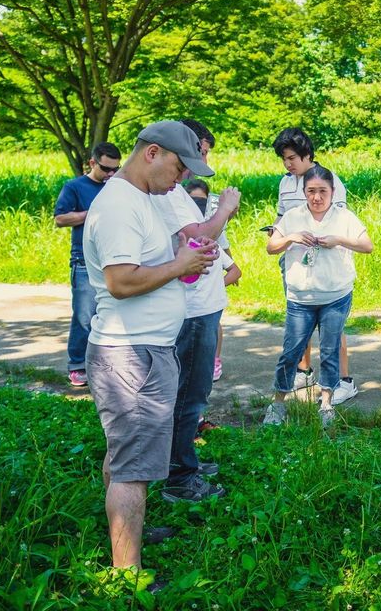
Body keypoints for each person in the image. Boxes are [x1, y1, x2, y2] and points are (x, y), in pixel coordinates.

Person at [82, 121, 218, 576]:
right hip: (132, 354)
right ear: (152, 153)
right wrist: (180, 262)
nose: (180, 180)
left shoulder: (140, 199)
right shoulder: (121, 205)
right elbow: (120, 282)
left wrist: (185, 260)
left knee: (124, 457)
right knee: (132, 471)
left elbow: (143, 267)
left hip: (141, 348)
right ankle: (127, 573)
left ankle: (128, 534)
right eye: (179, 168)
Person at [153, 120, 241, 503]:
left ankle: (183, 458)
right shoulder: (171, 193)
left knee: (196, 390)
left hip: (203, 305)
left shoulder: (178, 192)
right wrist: (225, 208)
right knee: (187, 393)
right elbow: (199, 237)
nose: (200, 161)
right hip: (189, 311)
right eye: (199, 151)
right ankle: (179, 476)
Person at [263, 165, 372, 428]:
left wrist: (339, 240)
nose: (317, 197)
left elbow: (367, 246)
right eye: (311, 191)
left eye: (322, 191)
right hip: (300, 299)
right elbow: (271, 247)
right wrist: (290, 237)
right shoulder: (292, 216)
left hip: (336, 296)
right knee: (291, 352)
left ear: (333, 192)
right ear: (304, 192)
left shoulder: (344, 217)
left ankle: (326, 403)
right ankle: (278, 403)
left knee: (330, 349)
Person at [270, 127, 358, 404]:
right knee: (300, 317)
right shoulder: (285, 183)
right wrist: (279, 234)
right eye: (284, 159)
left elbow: (339, 219)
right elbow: (281, 218)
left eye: (292, 158)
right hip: (295, 259)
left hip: (329, 266)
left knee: (332, 325)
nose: (288, 164)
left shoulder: (328, 180)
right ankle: (304, 370)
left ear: (307, 155)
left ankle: (343, 380)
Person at [54, 142, 121, 386]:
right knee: (84, 315)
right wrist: (93, 211)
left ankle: (104, 364)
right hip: (83, 259)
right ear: (92, 163)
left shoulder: (117, 187)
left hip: (112, 259)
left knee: (110, 315)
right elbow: (60, 219)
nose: (110, 175)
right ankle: (77, 364)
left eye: (116, 169)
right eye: (106, 169)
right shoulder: (74, 187)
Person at [186, 179, 239, 383]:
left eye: (202, 202)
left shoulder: (214, 233)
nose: (198, 207)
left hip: (208, 302)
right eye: (194, 202)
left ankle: (214, 360)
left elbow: (231, 263)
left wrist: (220, 282)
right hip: (186, 304)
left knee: (212, 327)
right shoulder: (182, 232)